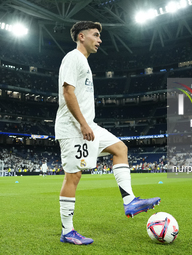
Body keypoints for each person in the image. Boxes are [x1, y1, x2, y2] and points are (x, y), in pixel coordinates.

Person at [55, 21, 160, 245]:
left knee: (120, 148)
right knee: (73, 176)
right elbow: (68, 93)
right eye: (95, 35)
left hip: (88, 125)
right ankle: (67, 231)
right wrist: (83, 124)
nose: (100, 39)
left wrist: (87, 124)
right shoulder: (73, 58)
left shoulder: (83, 62)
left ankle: (130, 201)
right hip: (73, 128)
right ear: (81, 36)